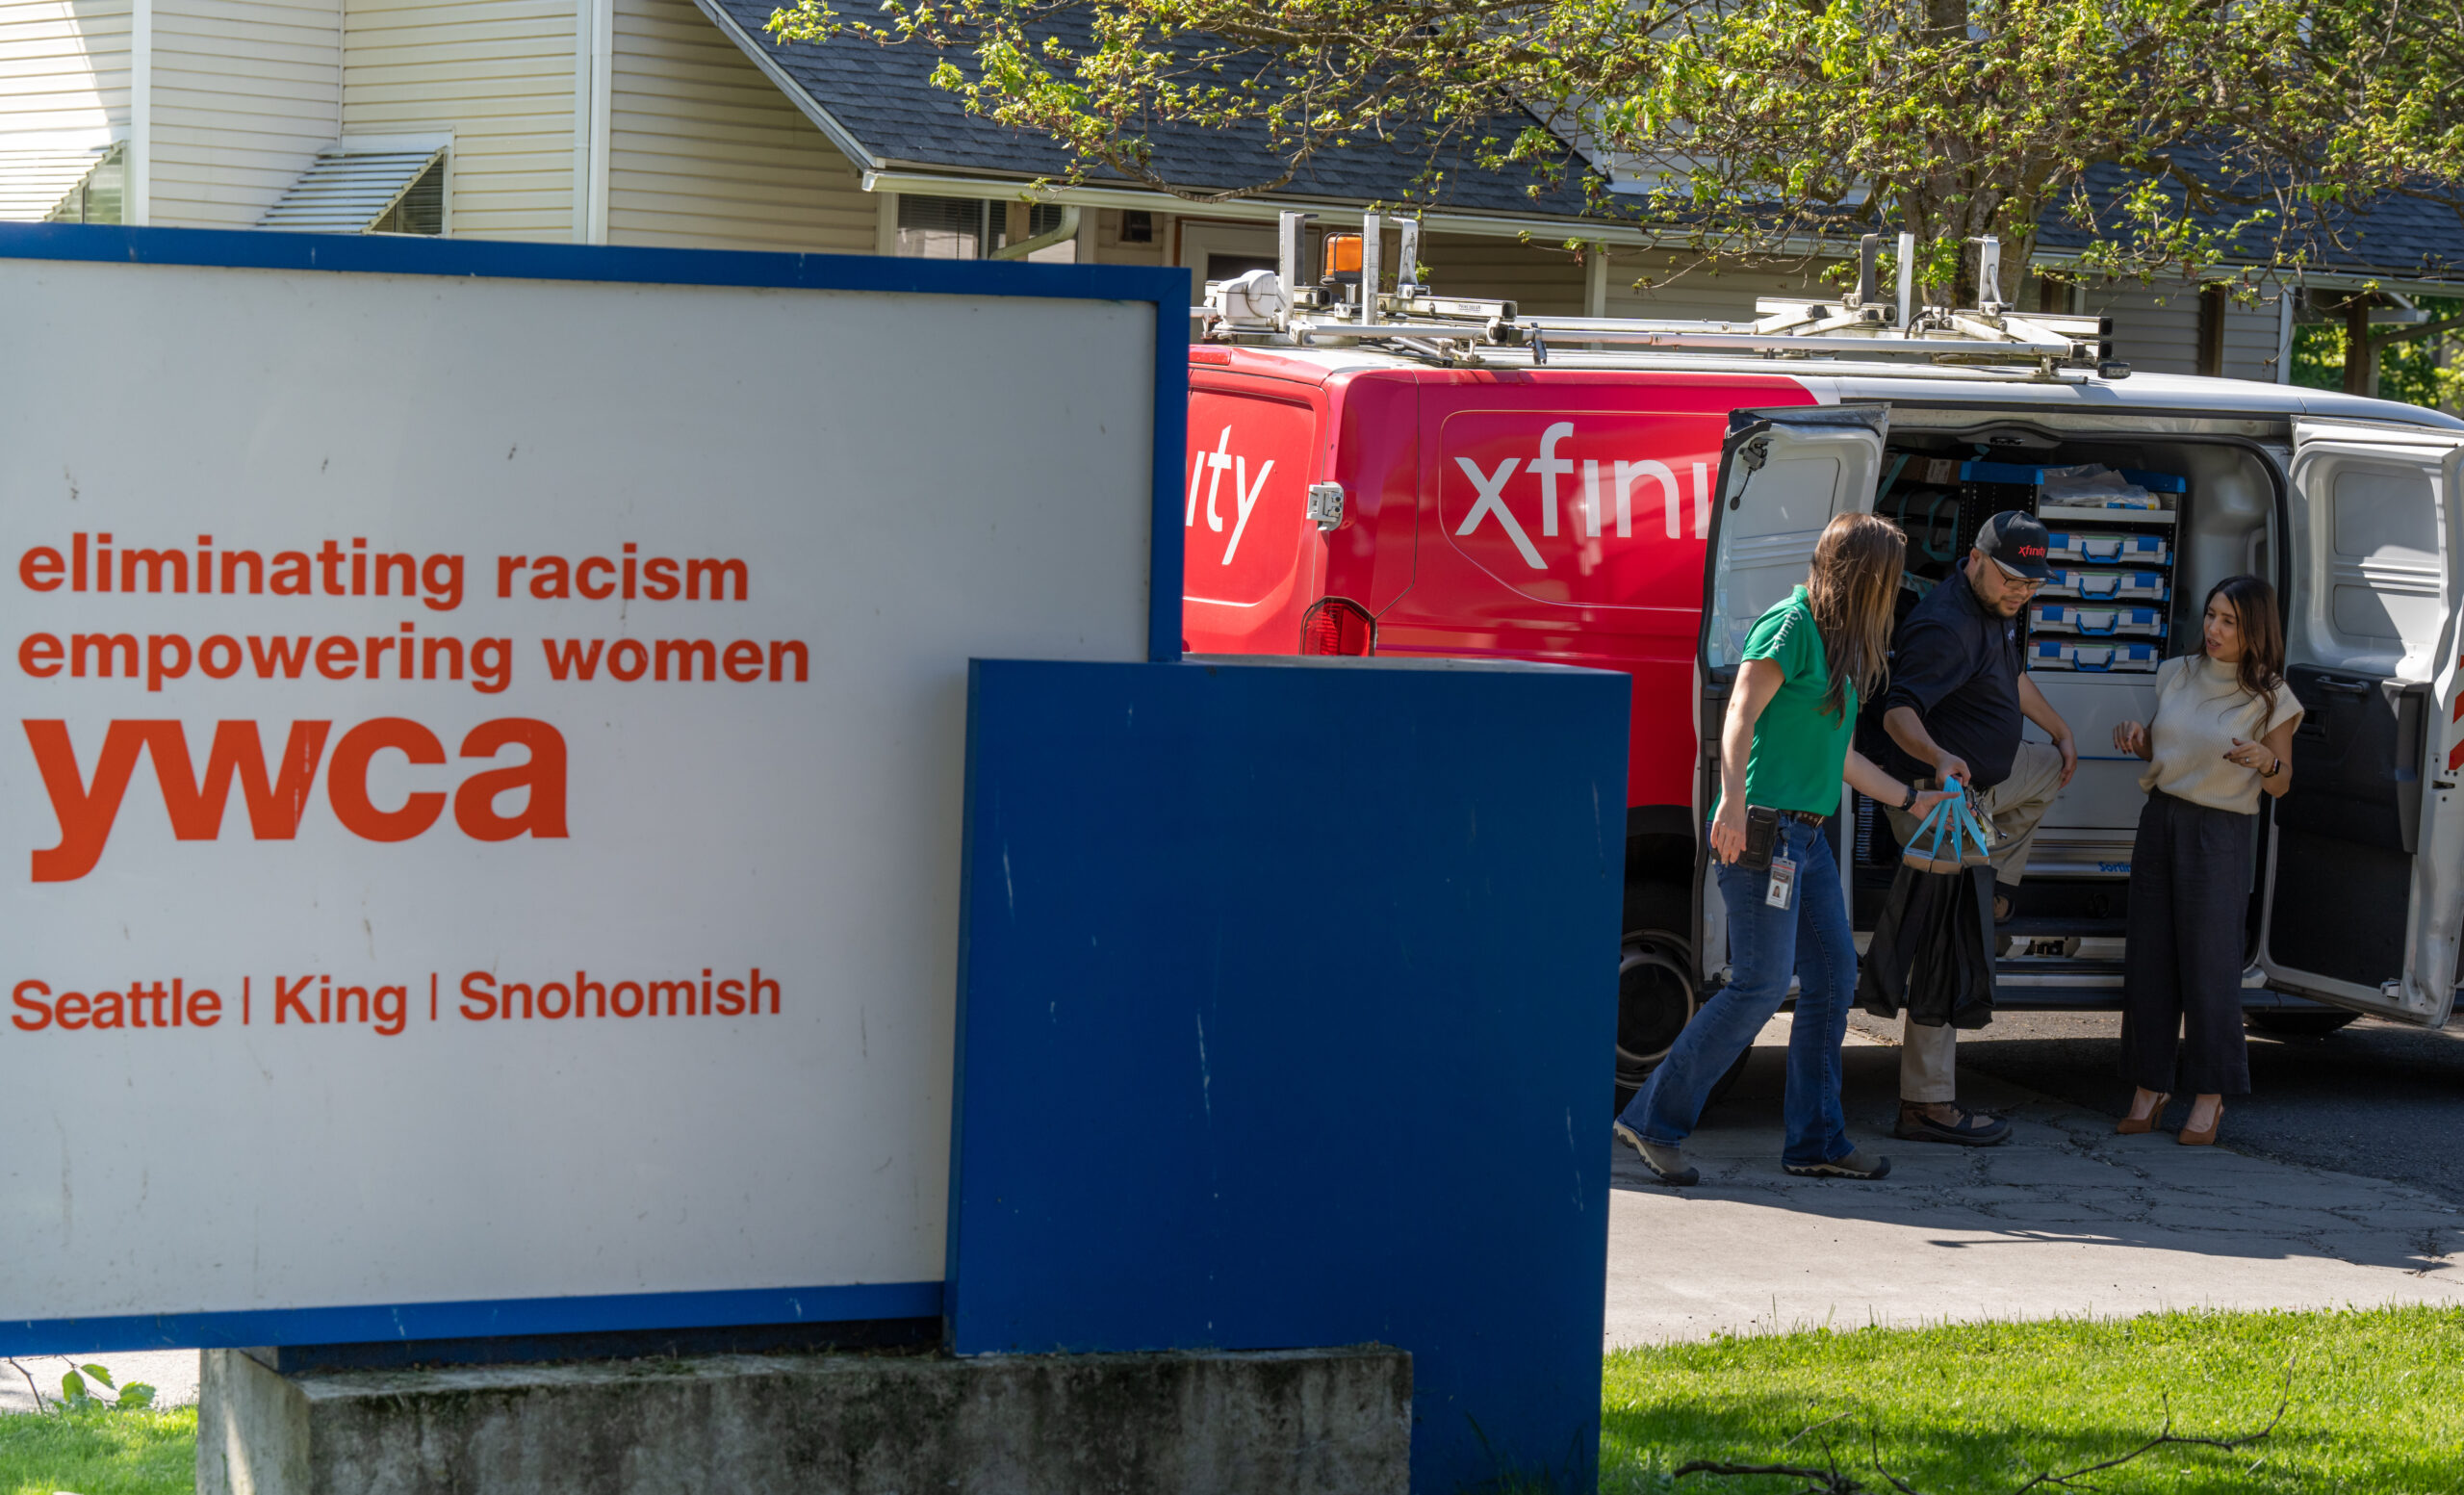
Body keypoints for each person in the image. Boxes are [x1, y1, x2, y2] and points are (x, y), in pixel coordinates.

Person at [1614, 513, 1956, 1186]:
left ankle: (1816, 1140)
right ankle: (1652, 1119)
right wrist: (1734, 804)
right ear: (1862, 576)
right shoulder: (1791, 626)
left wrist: (1910, 798)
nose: (1896, 591)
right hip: (1764, 833)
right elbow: (1738, 713)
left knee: (1834, 977)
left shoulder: (1835, 643)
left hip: (1807, 836)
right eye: (1889, 578)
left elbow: (1841, 759)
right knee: (1760, 984)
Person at [1869, 511, 2078, 1147]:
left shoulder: (1993, 609)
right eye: (2014, 579)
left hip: (1985, 785)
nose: (2023, 592)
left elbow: (2009, 677)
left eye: (2033, 584)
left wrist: (2060, 728)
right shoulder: (1945, 625)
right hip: (1937, 802)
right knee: (1946, 943)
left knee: (2046, 770)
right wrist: (1936, 758)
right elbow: (1897, 710)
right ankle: (1926, 1102)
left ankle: (1996, 883)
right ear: (1975, 559)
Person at [2109, 576, 2302, 1146]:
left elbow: (2283, 785)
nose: (2213, 629)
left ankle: (2210, 1097)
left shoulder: (2272, 697)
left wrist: (2267, 760)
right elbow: (2168, 746)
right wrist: (2139, 739)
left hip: (2220, 830)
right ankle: (2150, 1086)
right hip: (2161, 818)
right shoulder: (2176, 673)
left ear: (2254, 630)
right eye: (2212, 615)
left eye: (2229, 622)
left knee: (2210, 966)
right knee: (2149, 958)